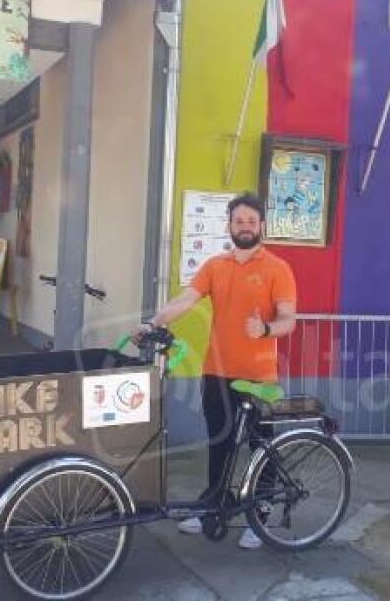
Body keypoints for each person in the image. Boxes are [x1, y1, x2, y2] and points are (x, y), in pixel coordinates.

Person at [135, 192, 297, 549]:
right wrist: (152, 323)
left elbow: (288, 319)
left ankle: (261, 517)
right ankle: (213, 507)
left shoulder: (277, 268)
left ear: (262, 227)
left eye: (251, 222)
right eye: (239, 221)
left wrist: (266, 329)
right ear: (229, 225)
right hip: (217, 373)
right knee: (219, 445)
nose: (245, 227)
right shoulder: (215, 266)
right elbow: (185, 300)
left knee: (260, 446)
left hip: (258, 378)